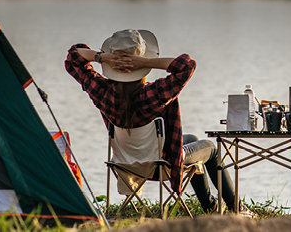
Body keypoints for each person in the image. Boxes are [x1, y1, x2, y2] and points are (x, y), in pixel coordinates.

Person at [64, 29, 240, 213]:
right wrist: (145, 62)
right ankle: (236, 208)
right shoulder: (154, 93)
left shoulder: (101, 91)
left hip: (125, 165)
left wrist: (103, 58)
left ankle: (211, 206)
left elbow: (73, 57)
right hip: (162, 166)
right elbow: (187, 65)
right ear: (141, 64)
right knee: (210, 148)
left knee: (192, 138)